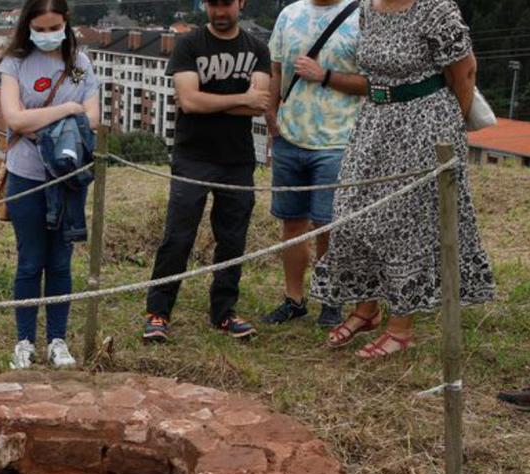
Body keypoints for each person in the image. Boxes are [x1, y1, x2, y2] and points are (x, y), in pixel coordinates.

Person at [311, 0, 494, 358]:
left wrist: (448, 129)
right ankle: (366, 310)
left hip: (424, 125)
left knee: (402, 224)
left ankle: (401, 328)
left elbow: (465, 71)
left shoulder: (436, 9)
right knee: (352, 214)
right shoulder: (368, 7)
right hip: (374, 121)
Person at [141, 0, 271, 344]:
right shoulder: (189, 44)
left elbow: (258, 105)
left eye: (226, 3)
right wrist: (235, 99)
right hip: (192, 154)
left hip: (238, 158)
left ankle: (224, 312)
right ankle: (158, 312)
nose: (219, 11)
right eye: (213, 3)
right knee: (178, 236)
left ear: (240, 3)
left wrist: (207, 99)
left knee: (232, 238)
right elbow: (189, 102)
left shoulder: (257, 48)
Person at [0, 0, 100, 369]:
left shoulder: (80, 63)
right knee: (29, 261)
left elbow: (93, 118)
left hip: (70, 177)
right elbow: (14, 118)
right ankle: (24, 340)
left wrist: (44, 117)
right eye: (38, 29)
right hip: (26, 174)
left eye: (52, 27)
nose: (46, 35)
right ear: (28, 27)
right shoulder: (14, 64)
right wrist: (67, 110)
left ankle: (58, 338)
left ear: (65, 23)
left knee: (60, 260)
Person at [261, 0, 365, 329]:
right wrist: (272, 117)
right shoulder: (289, 15)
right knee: (291, 225)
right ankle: (294, 300)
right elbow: (277, 70)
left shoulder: (362, 15)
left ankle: (330, 301)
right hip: (289, 137)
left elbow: (372, 81)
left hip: (338, 140)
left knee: (327, 226)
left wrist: (325, 76)